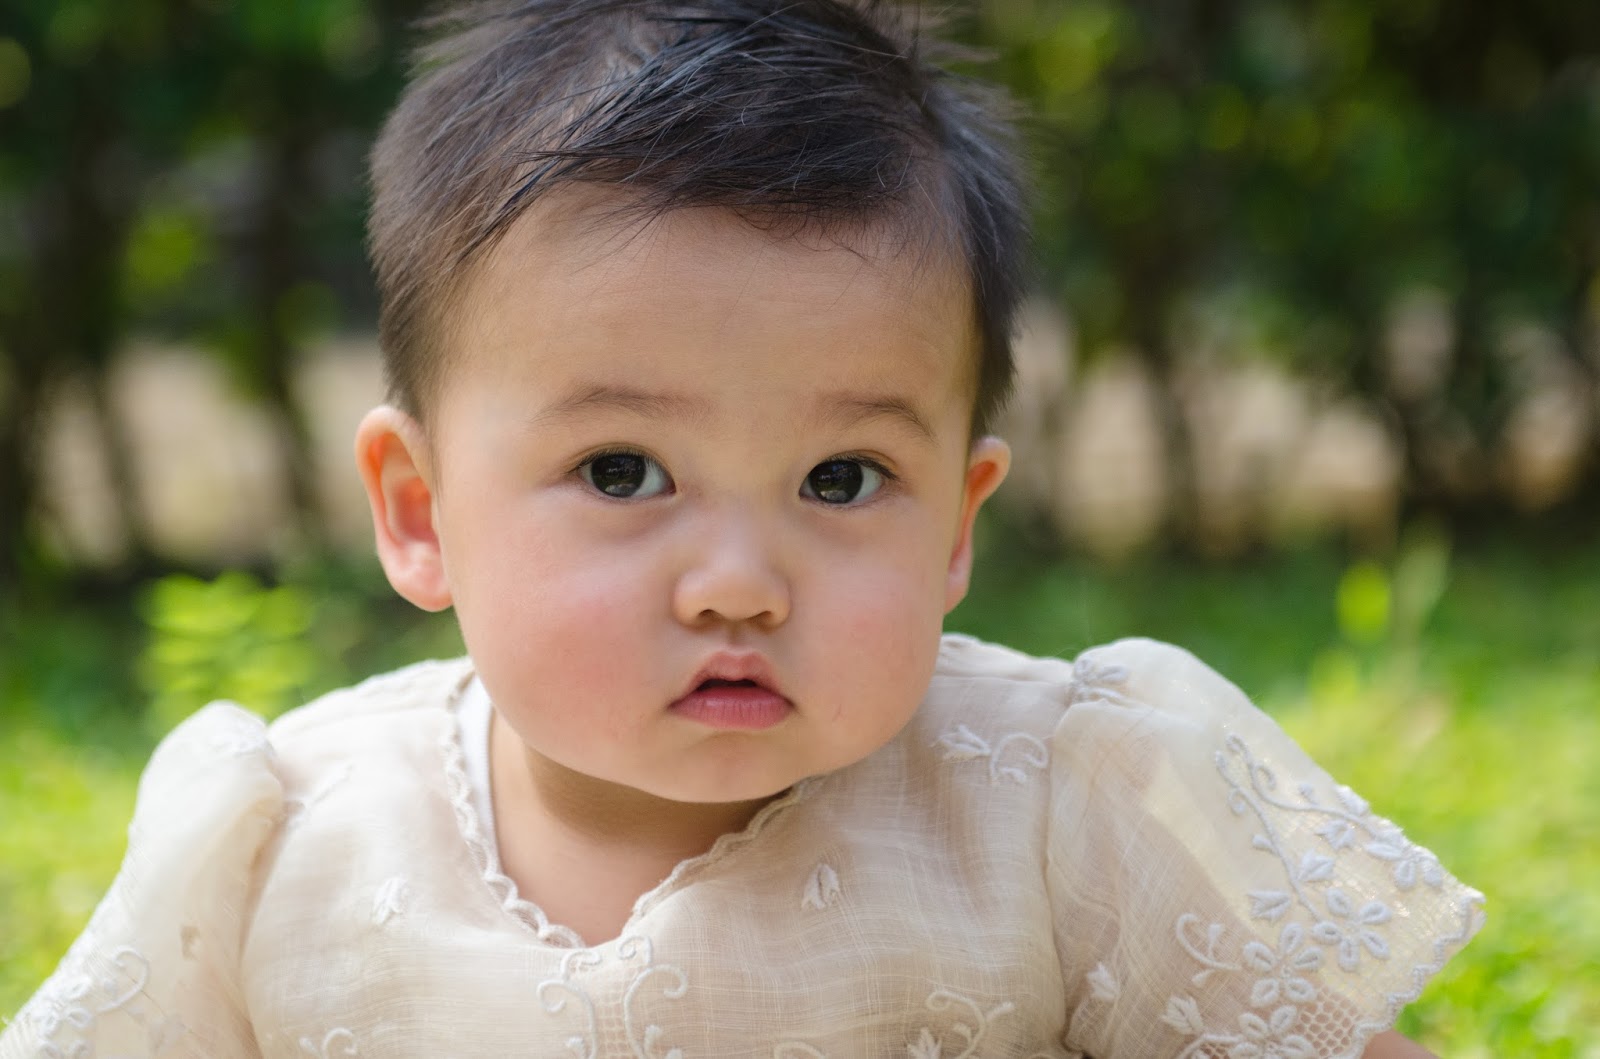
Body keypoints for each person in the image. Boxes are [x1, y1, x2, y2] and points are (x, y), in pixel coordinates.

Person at [1, 2, 1483, 1056]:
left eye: (841, 481)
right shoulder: (289, 849)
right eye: (623, 471)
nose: (737, 584)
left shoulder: (1053, 809)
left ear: (959, 528)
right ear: (417, 512)